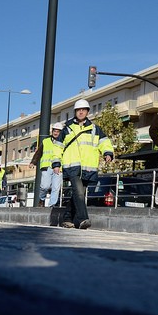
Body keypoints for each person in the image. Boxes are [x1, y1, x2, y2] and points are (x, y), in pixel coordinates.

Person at [57, 98, 114, 229]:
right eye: (78, 110)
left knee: (78, 194)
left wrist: (107, 153)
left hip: (88, 168)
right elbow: (58, 147)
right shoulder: (67, 129)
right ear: (75, 112)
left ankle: (67, 218)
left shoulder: (95, 129)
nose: (81, 112)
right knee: (79, 193)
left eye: (83, 110)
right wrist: (56, 164)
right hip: (72, 166)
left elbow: (104, 142)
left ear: (88, 111)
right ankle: (82, 219)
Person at [30, 123, 64, 207]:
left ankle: (51, 205)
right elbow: (39, 152)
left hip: (59, 167)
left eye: (58, 131)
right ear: (52, 131)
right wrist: (33, 162)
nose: (56, 133)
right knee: (45, 186)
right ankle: (42, 199)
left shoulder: (64, 142)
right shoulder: (46, 141)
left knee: (56, 187)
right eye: (54, 131)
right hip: (47, 167)